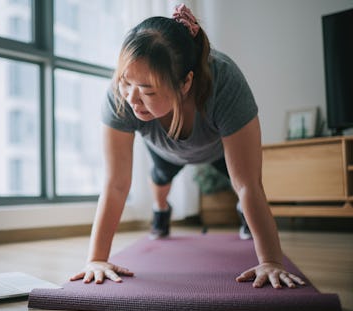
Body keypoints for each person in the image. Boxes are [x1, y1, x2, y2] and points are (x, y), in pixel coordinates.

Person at [70, 4, 305, 289]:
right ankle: (161, 210)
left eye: (148, 91)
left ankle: (244, 217)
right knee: (160, 179)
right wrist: (96, 258)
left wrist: (271, 261)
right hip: (163, 150)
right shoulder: (120, 96)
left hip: (217, 146)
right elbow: (116, 184)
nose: (132, 98)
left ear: (185, 84)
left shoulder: (225, 83)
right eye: (125, 82)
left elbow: (249, 185)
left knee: (240, 188)